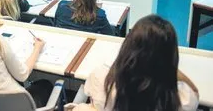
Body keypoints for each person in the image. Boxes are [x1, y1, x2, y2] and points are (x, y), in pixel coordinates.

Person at [69, 15, 199, 111]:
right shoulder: (182, 99)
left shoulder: (103, 79)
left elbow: (93, 101)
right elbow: (195, 92)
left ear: (128, 45)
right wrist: (169, 68)